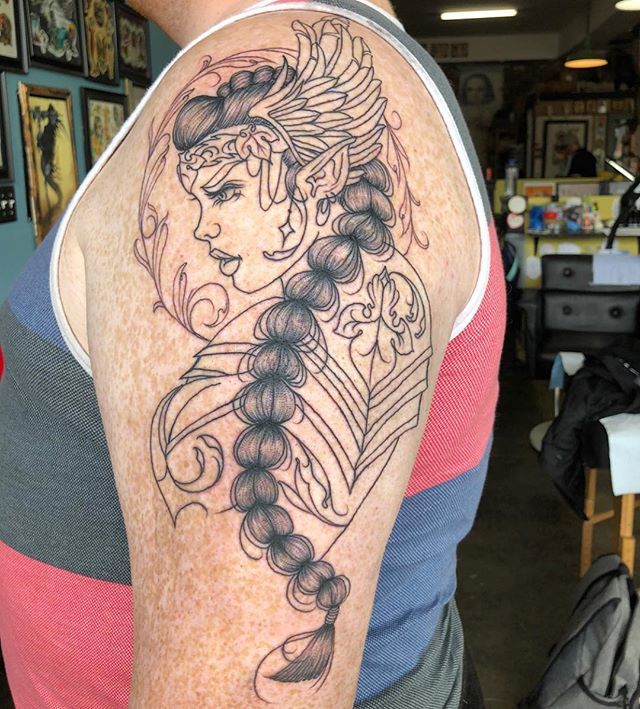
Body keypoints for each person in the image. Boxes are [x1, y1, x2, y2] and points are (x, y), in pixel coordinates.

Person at [0, 1, 505, 707]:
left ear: (319, 179)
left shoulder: (280, 50)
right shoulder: (362, 69)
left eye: (227, 192)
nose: (204, 227)